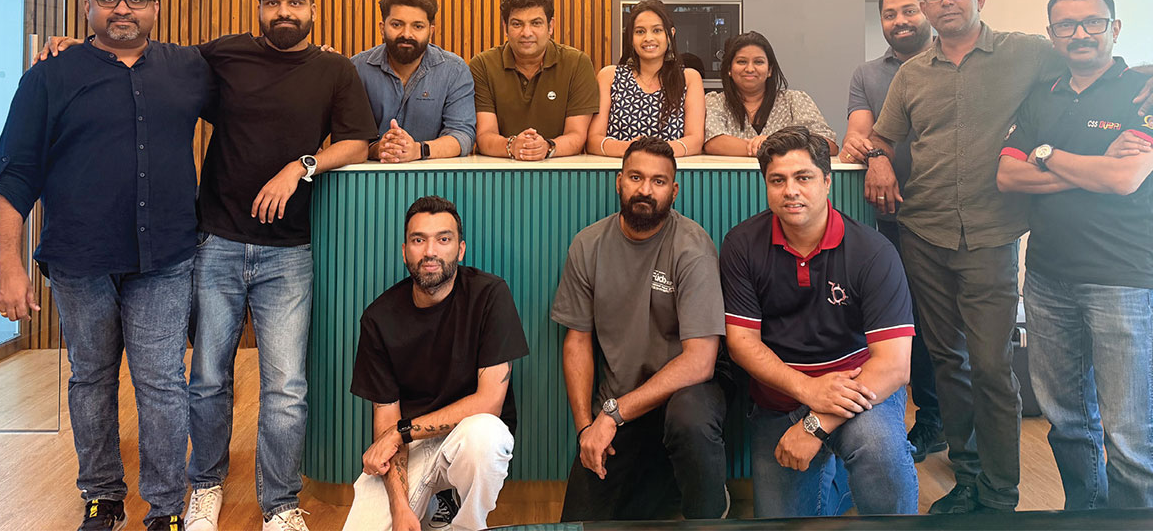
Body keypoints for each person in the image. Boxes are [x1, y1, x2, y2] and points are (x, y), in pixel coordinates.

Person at [866, 0, 1153, 514]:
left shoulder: (1030, 53)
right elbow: (885, 137)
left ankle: (1000, 491)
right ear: (925, 5)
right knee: (951, 365)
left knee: (994, 369)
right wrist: (877, 159)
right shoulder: (915, 74)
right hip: (928, 233)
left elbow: (1099, 70)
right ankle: (971, 478)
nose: (946, 2)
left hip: (999, 238)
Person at [0, 0, 211, 531]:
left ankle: (165, 509)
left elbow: (259, 81)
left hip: (164, 256)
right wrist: (8, 263)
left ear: (155, 8)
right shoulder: (50, 75)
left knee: (162, 381)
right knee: (91, 378)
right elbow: (13, 171)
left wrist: (309, 55)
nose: (122, 8)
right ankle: (102, 496)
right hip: (79, 259)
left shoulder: (188, 67)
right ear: (87, 6)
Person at [183, 0, 377, 531]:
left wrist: (301, 166)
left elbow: (357, 143)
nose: (284, 12)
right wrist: (82, 45)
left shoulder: (335, 69)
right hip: (217, 241)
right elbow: (154, 63)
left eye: (295, 2)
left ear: (313, 10)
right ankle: (205, 486)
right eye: (272, 3)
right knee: (209, 378)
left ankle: (280, 504)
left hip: (289, 251)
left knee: (286, 388)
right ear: (259, 8)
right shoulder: (225, 55)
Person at [997, 0, 1153, 510]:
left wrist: (1046, 154)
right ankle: (1086, 516)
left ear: (1114, 28)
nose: (1080, 34)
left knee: (1131, 436)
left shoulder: (1151, 94)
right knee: (1067, 423)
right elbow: (1007, 175)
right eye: (1066, 25)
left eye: (1093, 22)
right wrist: (1090, 167)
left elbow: (1124, 178)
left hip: (1122, 280)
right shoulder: (1042, 95)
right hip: (1047, 279)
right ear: (1052, 34)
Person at [722, 126, 917, 517]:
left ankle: (849, 466)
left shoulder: (872, 252)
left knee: (880, 453)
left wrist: (815, 423)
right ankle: (839, 477)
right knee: (782, 523)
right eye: (777, 180)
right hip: (780, 398)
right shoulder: (742, 244)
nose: (790, 191)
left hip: (858, 393)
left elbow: (894, 366)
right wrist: (808, 390)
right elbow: (742, 343)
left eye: (803, 178)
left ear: (827, 182)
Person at [551, 137, 730, 520]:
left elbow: (701, 362)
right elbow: (577, 342)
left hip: (684, 396)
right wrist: (586, 429)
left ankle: (710, 511)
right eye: (635, 177)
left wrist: (613, 414)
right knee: (579, 523)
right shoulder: (588, 245)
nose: (645, 190)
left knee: (689, 420)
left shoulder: (692, 248)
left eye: (658, 181)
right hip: (621, 404)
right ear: (619, 181)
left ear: (674, 191)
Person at [341, 196, 530, 531]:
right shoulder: (378, 319)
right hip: (410, 447)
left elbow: (489, 403)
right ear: (405, 252)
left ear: (460, 249)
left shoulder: (490, 295)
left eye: (443, 239)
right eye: (419, 240)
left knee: (487, 435)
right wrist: (400, 508)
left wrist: (400, 432)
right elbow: (387, 424)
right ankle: (433, 504)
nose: (430, 251)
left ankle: (464, 524)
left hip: (465, 437)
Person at [839, 0, 945, 462]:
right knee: (909, 322)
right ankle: (928, 423)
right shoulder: (868, 74)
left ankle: (960, 433)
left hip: (951, 215)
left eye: (908, 11)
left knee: (951, 331)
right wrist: (871, 153)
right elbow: (857, 139)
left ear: (925, 10)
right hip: (892, 219)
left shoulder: (953, 61)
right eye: (889, 14)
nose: (899, 21)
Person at [469, 0, 598, 160]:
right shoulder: (483, 65)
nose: (526, 33)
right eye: (517, 24)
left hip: (561, 168)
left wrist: (546, 147)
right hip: (498, 169)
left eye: (536, 23)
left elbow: (577, 135)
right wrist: (512, 146)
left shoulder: (577, 63)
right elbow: (485, 135)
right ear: (505, 28)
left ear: (550, 26)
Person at [349, 0, 475, 163]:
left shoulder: (454, 70)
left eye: (418, 26)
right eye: (396, 24)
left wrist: (418, 149)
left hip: (433, 176)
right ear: (382, 28)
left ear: (430, 31)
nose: (407, 34)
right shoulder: (357, 68)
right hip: (368, 174)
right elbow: (347, 136)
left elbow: (463, 135)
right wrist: (378, 149)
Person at [588, 0, 705, 158]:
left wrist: (655, 153)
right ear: (630, 37)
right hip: (620, 168)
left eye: (657, 30)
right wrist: (630, 150)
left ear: (670, 34)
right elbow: (593, 141)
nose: (648, 38)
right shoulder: (609, 76)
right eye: (640, 32)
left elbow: (695, 141)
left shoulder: (689, 78)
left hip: (670, 170)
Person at [703, 31, 837, 157]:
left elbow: (827, 144)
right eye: (741, 61)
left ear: (769, 70)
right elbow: (713, 143)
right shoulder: (715, 101)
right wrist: (768, 147)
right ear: (729, 69)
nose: (750, 69)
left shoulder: (795, 100)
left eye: (758, 62)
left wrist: (775, 143)